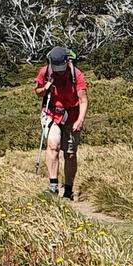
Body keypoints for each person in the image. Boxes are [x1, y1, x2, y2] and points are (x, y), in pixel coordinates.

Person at [35, 46, 88, 199]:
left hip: (72, 115)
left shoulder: (76, 75)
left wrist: (80, 120)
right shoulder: (45, 72)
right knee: (53, 145)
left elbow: (83, 100)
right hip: (51, 113)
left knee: (70, 154)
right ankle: (53, 187)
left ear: (67, 61)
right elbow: (38, 92)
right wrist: (46, 87)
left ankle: (69, 189)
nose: (58, 70)